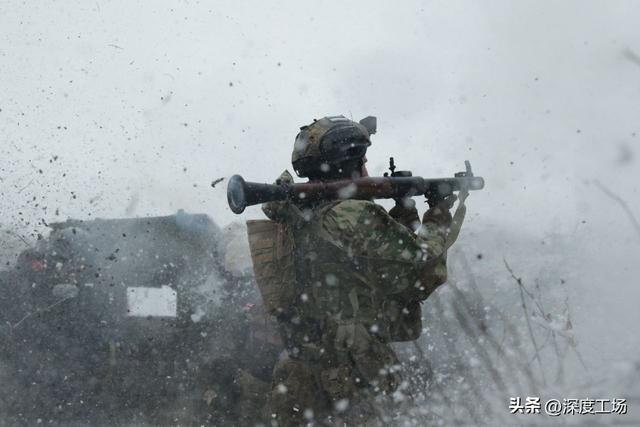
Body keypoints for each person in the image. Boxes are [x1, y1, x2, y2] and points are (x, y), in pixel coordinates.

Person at [246, 115, 459, 426]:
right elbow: (419, 274)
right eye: (363, 160)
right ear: (350, 164)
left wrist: (403, 211)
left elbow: (370, 264)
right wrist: (438, 214)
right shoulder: (352, 215)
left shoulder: (294, 211)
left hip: (299, 372)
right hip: (354, 377)